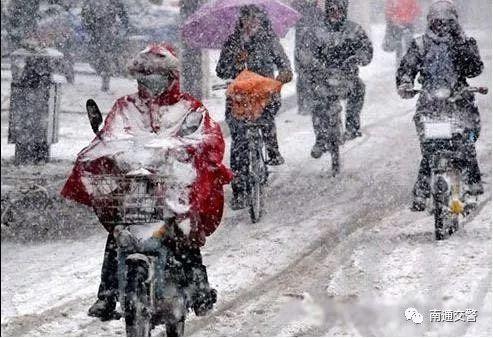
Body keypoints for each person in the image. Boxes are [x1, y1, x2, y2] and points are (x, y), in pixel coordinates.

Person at [61, 43, 233, 319]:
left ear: (171, 76)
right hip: (133, 189)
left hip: (172, 188)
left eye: (157, 73)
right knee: (118, 233)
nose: (150, 80)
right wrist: (104, 154)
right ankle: (107, 294)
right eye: (144, 73)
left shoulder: (190, 108)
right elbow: (110, 136)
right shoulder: (125, 107)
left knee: (185, 231)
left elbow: (209, 138)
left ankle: (199, 286)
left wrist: (185, 151)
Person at [396, 0, 484, 211]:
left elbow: (474, 69)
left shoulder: (462, 42)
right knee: (430, 148)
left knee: (466, 142)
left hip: (459, 101)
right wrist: (406, 83)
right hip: (430, 103)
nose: (442, 26)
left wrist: (463, 44)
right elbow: (406, 68)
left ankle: (472, 184)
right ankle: (422, 190)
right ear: (430, 22)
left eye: (447, 22)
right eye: (437, 22)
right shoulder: (420, 45)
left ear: (454, 22)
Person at [216, 5, 293, 209]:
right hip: (239, 99)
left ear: (262, 22)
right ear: (241, 22)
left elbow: (285, 65)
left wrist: (282, 77)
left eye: (255, 20)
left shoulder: (269, 41)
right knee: (240, 141)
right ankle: (239, 191)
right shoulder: (233, 43)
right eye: (247, 20)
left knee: (266, 120)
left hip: (264, 95)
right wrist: (235, 62)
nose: (251, 24)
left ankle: (272, 150)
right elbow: (221, 71)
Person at [309, 0, 373, 159]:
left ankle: (352, 126)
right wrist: (313, 63)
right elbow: (307, 53)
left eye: (338, 10)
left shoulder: (354, 29)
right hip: (324, 77)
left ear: (344, 11)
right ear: (327, 11)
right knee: (317, 100)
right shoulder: (317, 31)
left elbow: (366, 50)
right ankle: (320, 138)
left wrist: (357, 58)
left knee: (358, 88)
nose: (335, 13)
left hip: (347, 77)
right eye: (331, 10)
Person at [81, 0, 129, 91]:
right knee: (95, 58)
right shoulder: (90, 3)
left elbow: (123, 16)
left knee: (106, 56)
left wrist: (124, 28)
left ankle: (106, 79)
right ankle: (104, 73)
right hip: (95, 34)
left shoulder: (113, 2)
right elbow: (84, 16)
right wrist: (88, 27)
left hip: (107, 33)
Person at [292, 0, 324, 115]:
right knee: (305, 76)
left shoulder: (300, 10)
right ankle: (306, 104)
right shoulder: (301, 10)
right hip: (305, 48)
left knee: (306, 76)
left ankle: (306, 104)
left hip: (308, 48)